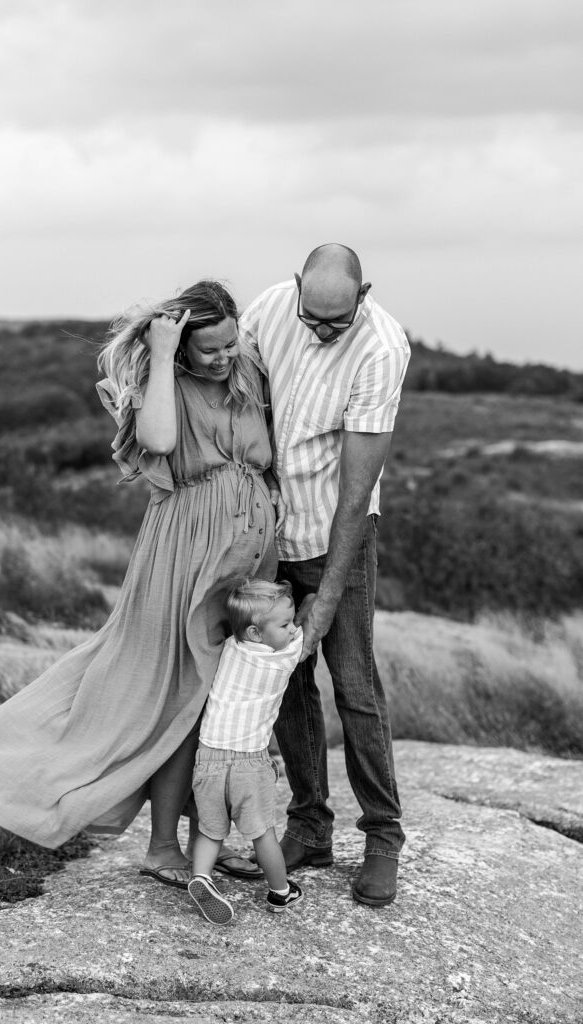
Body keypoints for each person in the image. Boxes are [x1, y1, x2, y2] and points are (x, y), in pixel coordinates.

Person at [0, 280, 279, 888]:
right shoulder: (164, 386)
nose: (225, 356)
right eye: (209, 349)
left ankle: (207, 838)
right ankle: (158, 845)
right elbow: (157, 442)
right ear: (179, 348)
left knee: (219, 700)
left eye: (231, 342)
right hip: (185, 553)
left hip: (248, 553)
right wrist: (159, 354)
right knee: (175, 693)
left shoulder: (248, 368)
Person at [239, 244, 410, 907]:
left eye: (334, 322)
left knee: (353, 684)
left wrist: (327, 597)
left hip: (337, 530)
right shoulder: (269, 311)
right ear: (295, 290)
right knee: (281, 677)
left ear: (363, 293)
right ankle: (308, 825)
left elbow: (354, 491)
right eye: (312, 318)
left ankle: (383, 835)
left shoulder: (381, 349)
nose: (319, 332)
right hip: (268, 532)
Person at [187, 579, 304, 925]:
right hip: (248, 763)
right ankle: (281, 892)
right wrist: (309, 602)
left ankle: (202, 876)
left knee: (211, 830)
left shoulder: (229, 648)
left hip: (207, 757)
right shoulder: (282, 658)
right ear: (255, 633)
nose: (292, 628)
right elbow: (304, 637)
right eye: (284, 624)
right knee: (261, 833)